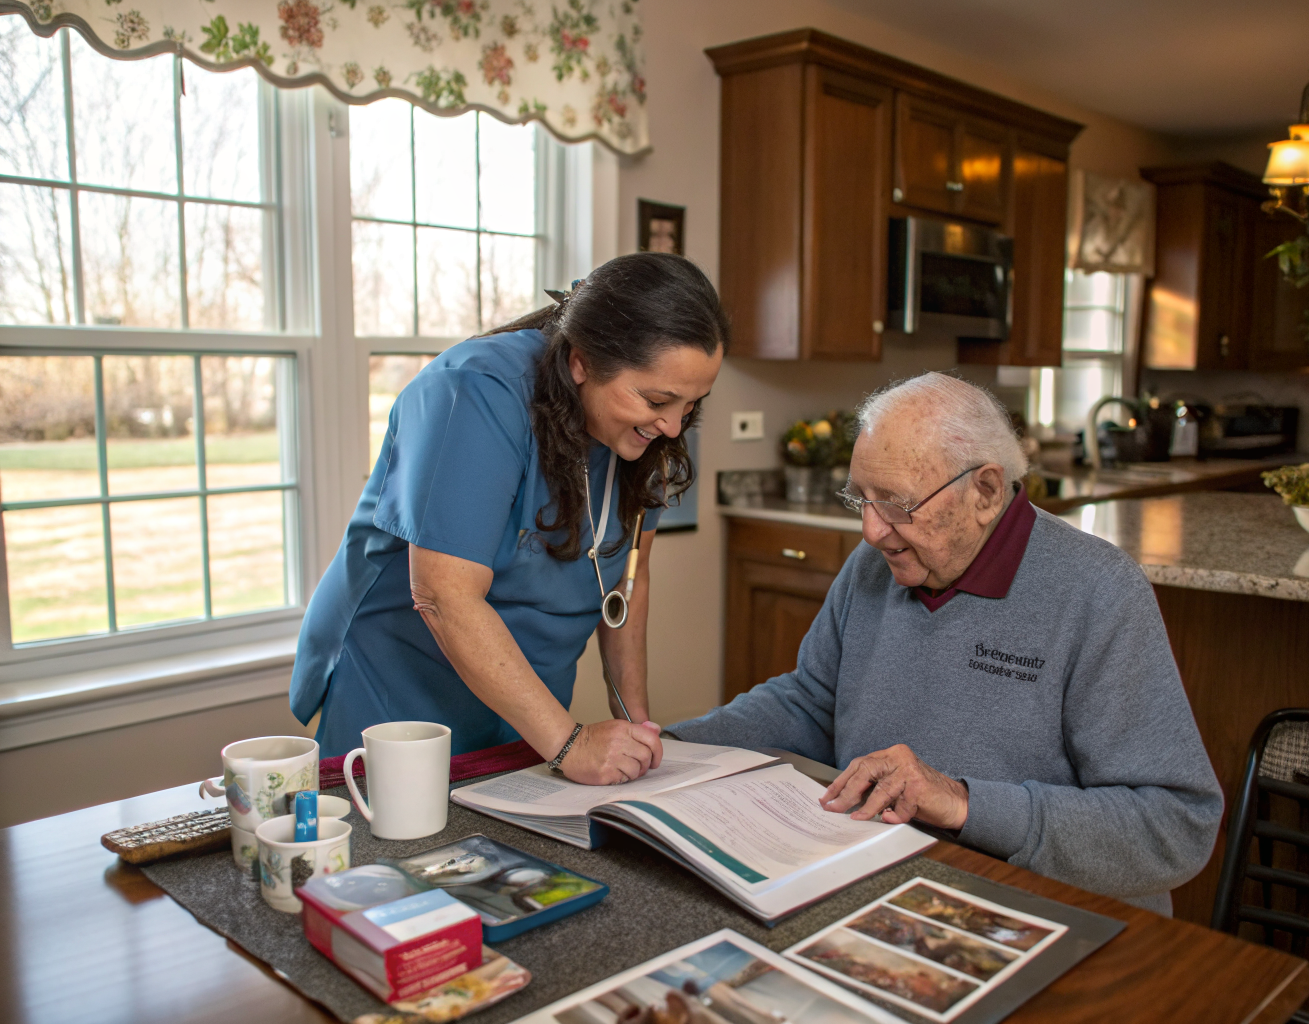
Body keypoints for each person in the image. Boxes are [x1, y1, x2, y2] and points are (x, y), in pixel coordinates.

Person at [668, 372, 1222, 913]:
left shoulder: (1099, 591)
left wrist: (961, 801)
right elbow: (811, 702)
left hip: (1048, 912)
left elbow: (1174, 827)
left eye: (896, 504)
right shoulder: (874, 566)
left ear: (984, 491)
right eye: (861, 497)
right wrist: (668, 748)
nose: (872, 531)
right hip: (891, 887)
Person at [291, 253, 728, 785]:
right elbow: (443, 596)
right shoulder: (474, 392)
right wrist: (570, 743)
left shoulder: (646, 432)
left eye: (692, 405)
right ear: (582, 362)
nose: (674, 425)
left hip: (527, 703)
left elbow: (627, 584)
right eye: (659, 399)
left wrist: (635, 724)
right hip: (401, 683)